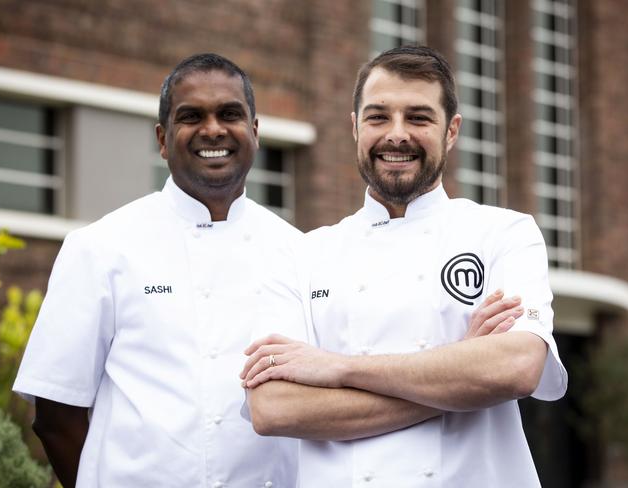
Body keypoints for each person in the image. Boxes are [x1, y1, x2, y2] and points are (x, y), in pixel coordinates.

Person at [241, 45, 568, 487]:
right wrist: (462, 375)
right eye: (378, 117)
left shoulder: (504, 233)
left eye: (418, 117)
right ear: (355, 127)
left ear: (451, 131)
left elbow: (515, 368)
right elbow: (274, 408)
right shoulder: (300, 256)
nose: (397, 135)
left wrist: (337, 368)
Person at [12, 53, 302, 488]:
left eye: (230, 114)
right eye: (191, 116)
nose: (213, 129)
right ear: (163, 139)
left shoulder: (299, 252)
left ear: (255, 133)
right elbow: (56, 415)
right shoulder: (100, 247)